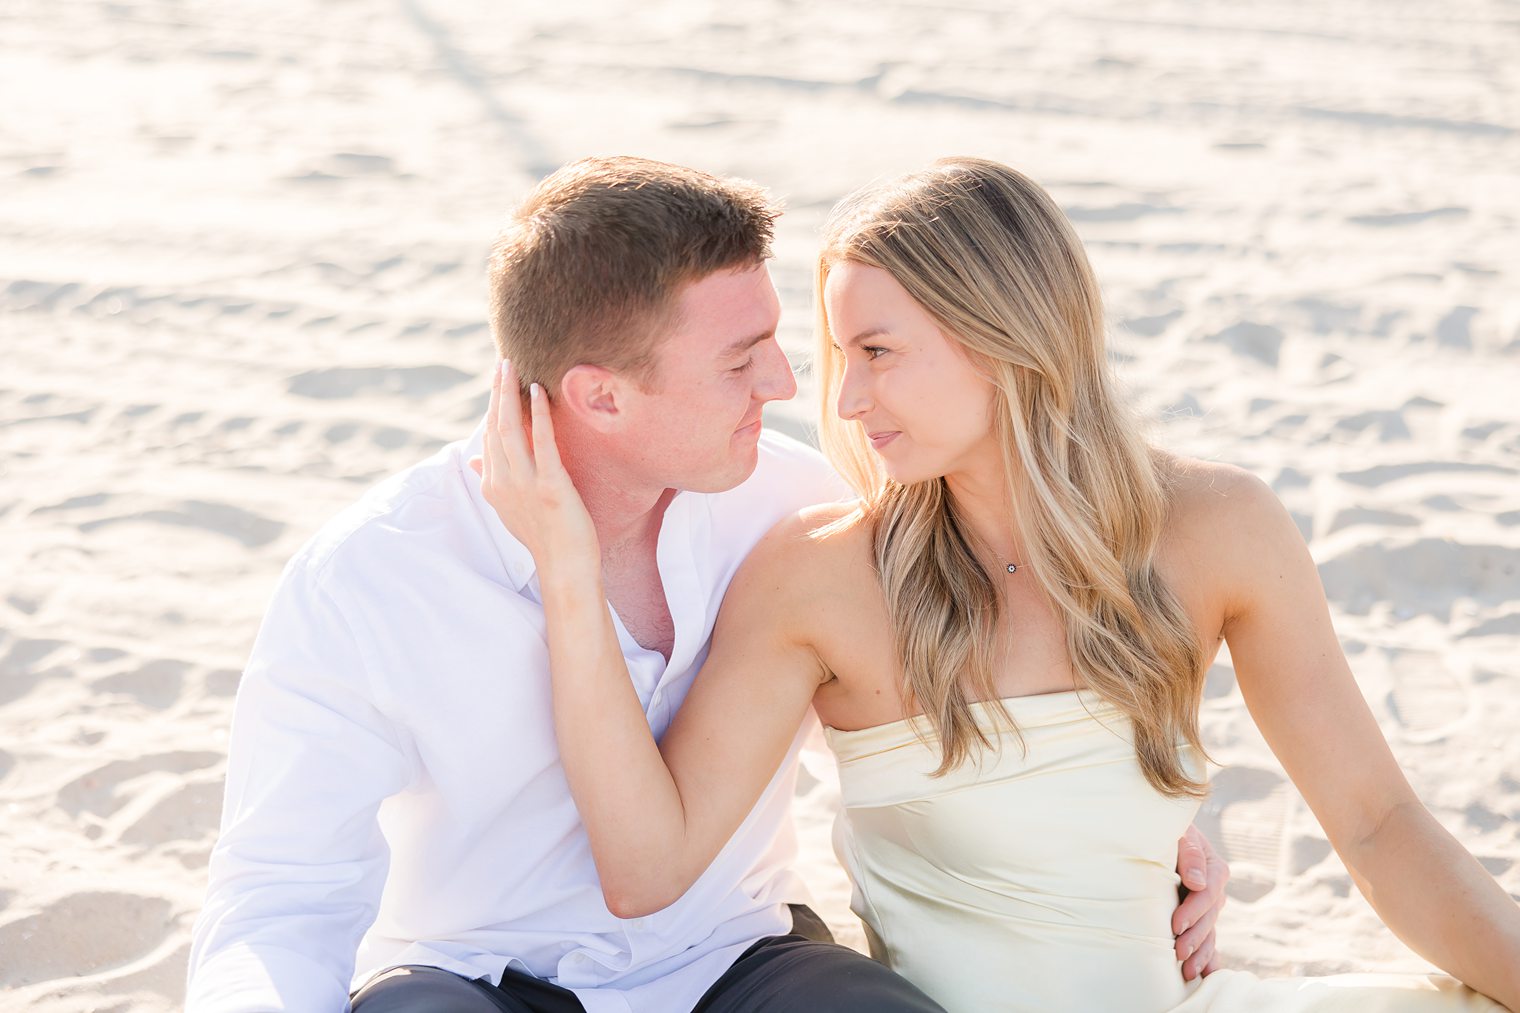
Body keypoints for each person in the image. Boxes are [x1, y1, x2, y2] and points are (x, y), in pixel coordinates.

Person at [474, 157, 1520, 1012]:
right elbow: (645, 866)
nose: (847, 398)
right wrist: (567, 574)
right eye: (843, 354)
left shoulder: (1219, 527)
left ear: (1004, 340)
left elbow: (1378, 822)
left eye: (878, 351)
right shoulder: (820, 573)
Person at [185, 157, 1228, 1013]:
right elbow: (277, 897)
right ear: (600, 395)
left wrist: (1153, 839)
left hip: (740, 962)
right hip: (472, 981)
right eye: (741, 361)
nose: (785, 385)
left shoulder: (791, 503)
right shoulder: (371, 577)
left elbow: (963, 713)